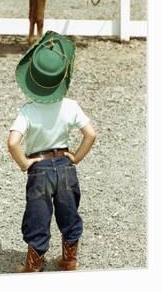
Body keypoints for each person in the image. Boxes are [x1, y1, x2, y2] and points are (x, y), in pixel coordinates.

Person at [7, 31, 96, 273]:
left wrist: (25, 163)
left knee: (38, 214)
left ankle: (33, 265)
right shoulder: (71, 106)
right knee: (69, 212)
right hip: (66, 167)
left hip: (40, 169)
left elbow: (13, 142)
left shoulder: (28, 111)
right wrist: (76, 157)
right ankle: (69, 259)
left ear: (33, 80)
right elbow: (91, 134)